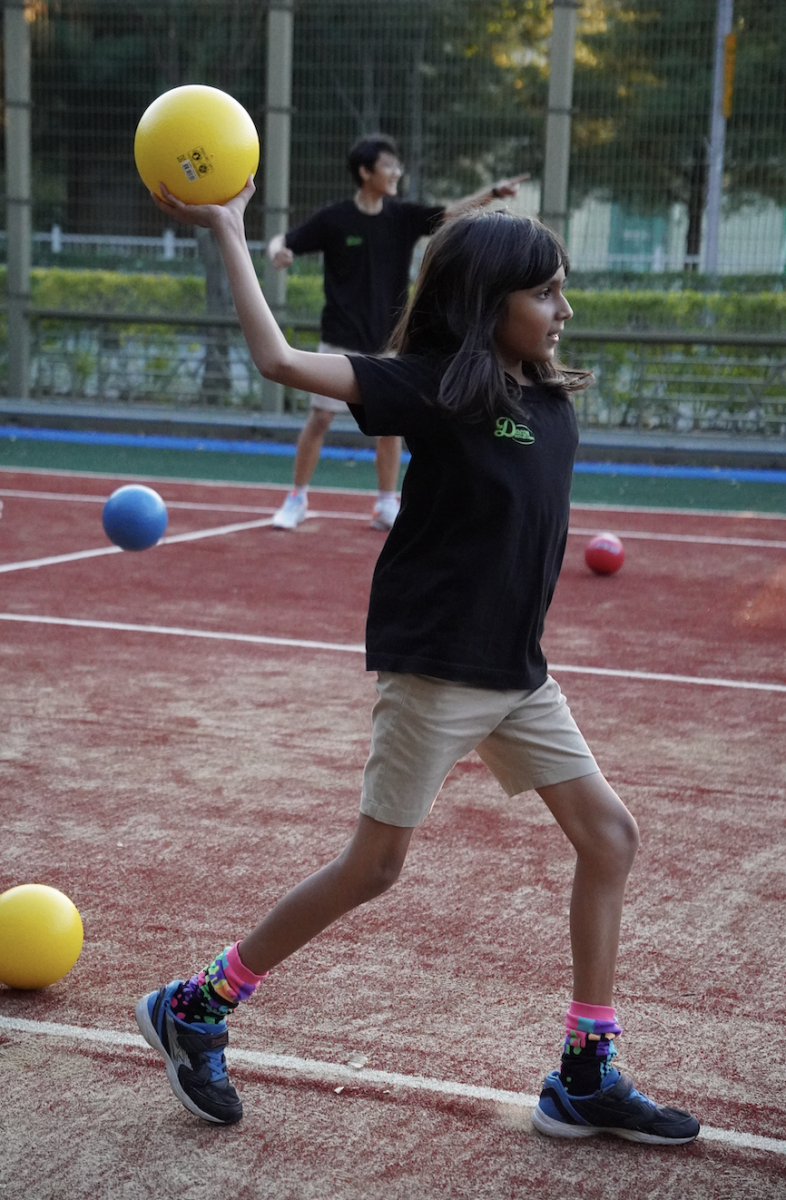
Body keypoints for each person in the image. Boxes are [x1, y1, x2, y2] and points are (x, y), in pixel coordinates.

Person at [136, 175, 701, 1147]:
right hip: (439, 668)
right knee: (375, 866)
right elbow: (276, 358)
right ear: (490, 307)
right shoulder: (440, 386)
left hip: (519, 674)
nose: (566, 310)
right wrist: (229, 229)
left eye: (562, 290)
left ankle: (585, 1070)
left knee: (610, 837)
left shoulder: (548, 399)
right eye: (546, 294)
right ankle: (199, 1003)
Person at [266, 133, 528, 531]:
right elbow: (282, 241)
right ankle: (296, 497)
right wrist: (276, 252)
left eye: (397, 165)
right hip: (340, 337)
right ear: (365, 171)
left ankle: (386, 502)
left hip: (390, 339)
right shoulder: (335, 219)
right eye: (388, 165)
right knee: (320, 418)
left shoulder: (402, 218)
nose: (396, 172)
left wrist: (492, 193)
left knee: (392, 425)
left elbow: (451, 212)